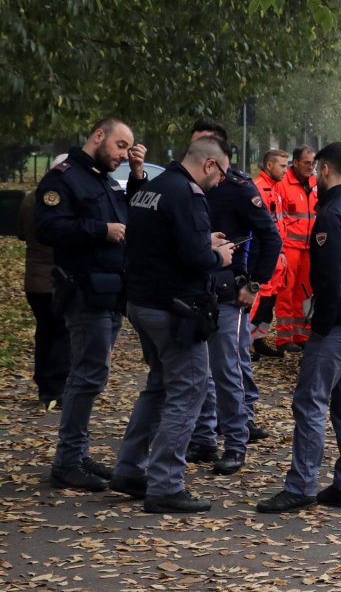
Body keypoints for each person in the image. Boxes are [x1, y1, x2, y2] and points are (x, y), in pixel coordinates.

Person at [108, 135, 236, 513]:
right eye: (222, 174)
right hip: (174, 310)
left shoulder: (156, 186)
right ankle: (165, 485)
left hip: (142, 303)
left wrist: (202, 243)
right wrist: (219, 257)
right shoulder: (189, 194)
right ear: (209, 165)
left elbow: (158, 242)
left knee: (159, 388)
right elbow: (195, 259)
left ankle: (130, 469)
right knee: (190, 391)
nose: (221, 182)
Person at [257, 142, 341, 514]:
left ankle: (301, 486)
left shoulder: (330, 215)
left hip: (340, 322)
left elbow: (327, 278)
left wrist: (322, 327)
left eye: (317, 169)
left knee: (310, 401)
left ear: (326, 170)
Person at [36, 119, 147, 491]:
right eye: (120, 146)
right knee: (87, 376)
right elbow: (47, 228)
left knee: (90, 375)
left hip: (109, 292)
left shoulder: (105, 177)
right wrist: (100, 230)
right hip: (84, 292)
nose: (122, 154)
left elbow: (132, 215)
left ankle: (77, 454)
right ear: (98, 136)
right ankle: (67, 461)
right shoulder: (63, 177)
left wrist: (136, 174)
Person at [186, 121, 282, 475]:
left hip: (229, 293)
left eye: (205, 147)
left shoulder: (240, 188)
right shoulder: (185, 183)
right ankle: (204, 438)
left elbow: (271, 238)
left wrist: (253, 284)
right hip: (192, 290)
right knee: (198, 371)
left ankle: (236, 444)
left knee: (227, 370)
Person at [18, 154, 71, 410]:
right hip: (56, 277)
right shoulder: (61, 200)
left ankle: (44, 384)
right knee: (62, 332)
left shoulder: (29, 198)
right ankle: (56, 387)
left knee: (45, 331)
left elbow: (20, 232)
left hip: (33, 278)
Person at [274, 146, 318, 352]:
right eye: (307, 163)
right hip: (290, 246)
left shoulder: (315, 183)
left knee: (306, 292)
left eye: (313, 163)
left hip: (309, 248)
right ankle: (283, 338)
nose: (311, 167)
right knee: (286, 291)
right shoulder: (283, 184)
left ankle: (301, 334)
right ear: (296, 162)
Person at [249, 149, 290, 360]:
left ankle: (258, 339)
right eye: (283, 166)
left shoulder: (274, 190)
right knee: (257, 302)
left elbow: (277, 226)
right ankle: (244, 343)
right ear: (269, 165)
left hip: (275, 256)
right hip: (265, 257)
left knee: (268, 303)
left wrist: (281, 252)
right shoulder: (258, 189)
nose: (286, 170)